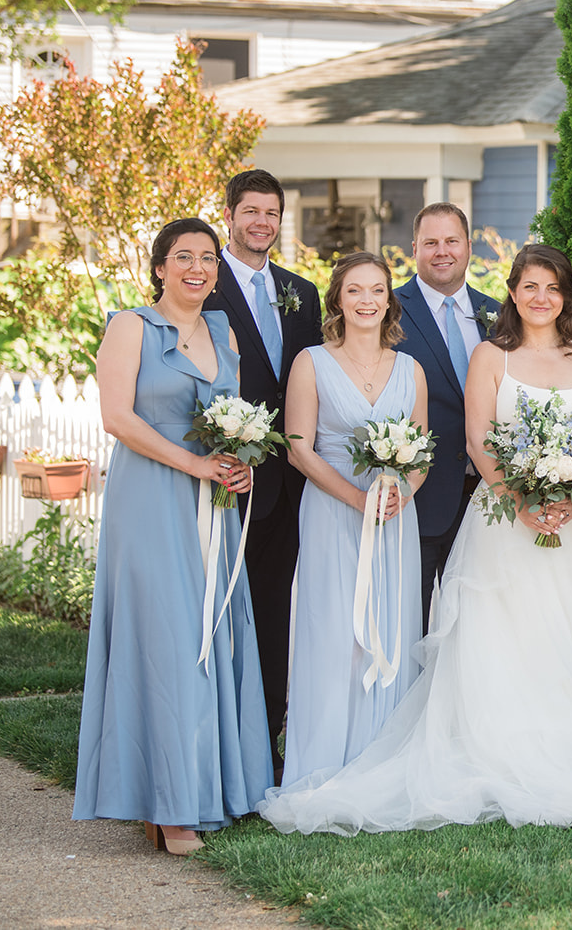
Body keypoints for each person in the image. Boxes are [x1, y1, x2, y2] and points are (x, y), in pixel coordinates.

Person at [257, 244, 572, 833]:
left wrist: (570, 490)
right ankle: (502, 756)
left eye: (553, 287)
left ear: (565, 297)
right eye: (530, 286)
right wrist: (521, 499)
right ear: (512, 292)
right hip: (505, 525)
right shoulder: (491, 355)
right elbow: (477, 440)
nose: (541, 297)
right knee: (507, 642)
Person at [75, 218, 272, 853]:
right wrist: (193, 464)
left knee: (211, 635)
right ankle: (170, 806)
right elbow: (116, 417)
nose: (197, 268)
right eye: (182, 257)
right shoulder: (129, 326)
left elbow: (232, 421)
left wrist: (240, 461)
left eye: (208, 259)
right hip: (151, 503)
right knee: (163, 643)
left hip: (212, 505)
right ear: (159, 267)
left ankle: (198, 791)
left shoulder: (223, 331)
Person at [278, 253, 429, 787]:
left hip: (392, 520)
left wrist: (400, 496)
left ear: (390, 299)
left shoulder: (411, 369)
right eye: (355, 290)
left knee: (390, 628)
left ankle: (383, 763)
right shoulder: (311, 362)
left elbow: (421, 452)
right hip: (331, 512)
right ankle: (325, 761)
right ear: (337, 299)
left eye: (377, 290)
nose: (367, 301)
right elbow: (299, 448)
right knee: (334, 631)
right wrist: (357, 499)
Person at [204, 169, 323, 778]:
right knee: (219, 609)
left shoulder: (301, 290)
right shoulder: (201, 281)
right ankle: (218, 739)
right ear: (229, 214)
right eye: (250, 211)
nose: (261, 223)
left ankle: (270, 740)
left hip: (289, 483)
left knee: (275, 610)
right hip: (221, 479)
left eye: (271, 214)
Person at [393, 203, 503, 631]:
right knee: (410, 626)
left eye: (452, 241)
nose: (443, 251)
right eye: (431, 242)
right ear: (414, 248)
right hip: (418, 499)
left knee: (475, 630)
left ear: (469, 247)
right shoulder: (387, 311)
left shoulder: (497, 311)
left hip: (487, 500)